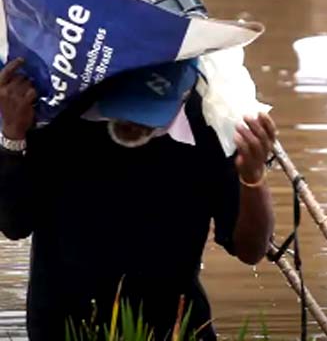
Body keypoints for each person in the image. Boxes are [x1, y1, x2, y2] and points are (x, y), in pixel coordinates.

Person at [0, 56, 276, 339]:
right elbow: (14, 224)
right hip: (66, 326)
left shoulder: (210, 122)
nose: (134, 122)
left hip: (173, 326)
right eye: (128, 107)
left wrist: (253, 179)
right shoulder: (57, 113)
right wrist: (12, 137)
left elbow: (250, 250)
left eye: (150, 110)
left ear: (183, 94)